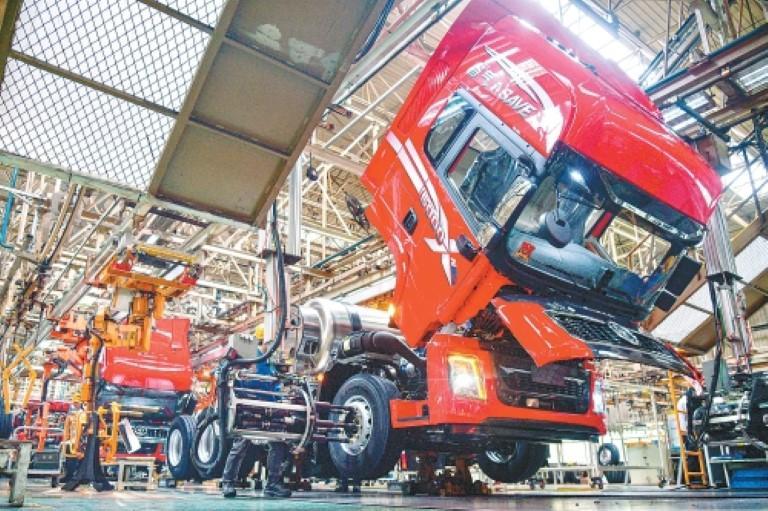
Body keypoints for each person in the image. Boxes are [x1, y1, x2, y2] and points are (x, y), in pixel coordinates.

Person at [221, 323, 292, 499]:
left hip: (269, 408)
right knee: (240, 444)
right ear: (265, 340)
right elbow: (228, 370)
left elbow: (273, 385)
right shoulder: (249, 354)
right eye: (273, 341)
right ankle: (228, 482)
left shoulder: (270, 363)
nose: (276, 346)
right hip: (249, 406)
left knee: (277, 443)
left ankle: (272, 485)